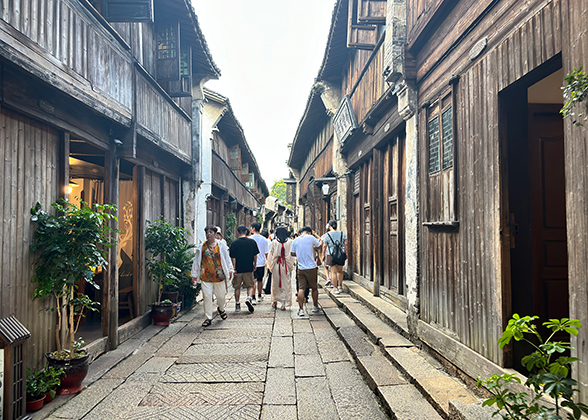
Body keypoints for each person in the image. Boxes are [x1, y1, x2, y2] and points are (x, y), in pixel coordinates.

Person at [191, 226, 233, 327]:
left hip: (219, 276)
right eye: (207, 232)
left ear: (215, 234)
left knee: (221, 296)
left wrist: (230, 269)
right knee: (207, 296)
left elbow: (227, 258)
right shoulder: (202, 247)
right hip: (205, 276)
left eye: (211, 232)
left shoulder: (221, 245)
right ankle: (208, 317)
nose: (208, 234)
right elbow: (196, 261)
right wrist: (194, 275)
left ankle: (221, 308)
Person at [291, 226, 322, 316]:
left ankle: (301, 310)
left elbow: (292, 253)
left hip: (301, 268)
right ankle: (315, 307)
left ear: (301, 233)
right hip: (311, 267)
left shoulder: (295, 240)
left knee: (301, 289)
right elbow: (319, 246)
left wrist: (300, 252)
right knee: (314, 288)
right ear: (309, 232)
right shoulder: (311, 238)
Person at [230, 225, 259, 313]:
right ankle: (249, 298)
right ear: (246, 232)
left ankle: (237, 304)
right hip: (248, 267)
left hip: (238, 269)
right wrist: (255, 264)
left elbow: (233, 257)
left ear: (238, 232)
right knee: (250, 285)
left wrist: (234, 268)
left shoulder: (234, 243)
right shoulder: (252, 242)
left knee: (237, 287)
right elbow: (255, 255)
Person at [267, 226, 295, 310]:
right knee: (285, 284)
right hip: (285, 265)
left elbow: (271, 254)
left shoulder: (274, 242)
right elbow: (291, 255)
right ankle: (283, 304)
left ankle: (275, 301)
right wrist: (290, 265)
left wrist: (270, 265)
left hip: (276, 265)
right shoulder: (289, 242)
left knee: (275, 284)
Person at [322, 219, 348, 294]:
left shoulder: (327, 235)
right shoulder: (342, 233)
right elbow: (346, 243)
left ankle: (335, 288)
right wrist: (346, 252)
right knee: (340, 271)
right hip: (340, 254)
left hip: (331, 254)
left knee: (333, 272)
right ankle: (340, 286)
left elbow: (324, 246)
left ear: (330, 226)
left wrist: (323, 255)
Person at [250, 222, 269, 303]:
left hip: (252, 263)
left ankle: (253, 297)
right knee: (260, 280)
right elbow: (266, 253)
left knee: (253, 280)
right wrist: (268, 263)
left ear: (253, 228)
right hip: (261, 262)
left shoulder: (250, 239)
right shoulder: (264, 239)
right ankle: (259, 295)